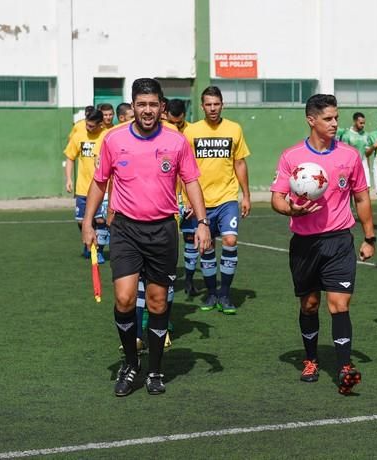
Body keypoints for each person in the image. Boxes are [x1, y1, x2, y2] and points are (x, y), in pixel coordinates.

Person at [81, 78, 211, 397]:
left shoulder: (177, 142)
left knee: (156, 302)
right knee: (124, 299)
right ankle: (130, 363)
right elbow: (99, 182)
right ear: (134, 106)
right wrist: (88, 222)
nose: (148, 110)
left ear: (161, 106)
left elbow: (191, 181)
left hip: (163, 230)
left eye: (153, 104)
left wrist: (203, 221)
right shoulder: (113, 140)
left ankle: (154, 369)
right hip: (125, 228)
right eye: (142, 104)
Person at [270, 94, 375, 395]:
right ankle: (311, 359)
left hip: (339, 240)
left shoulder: (349, 156)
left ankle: (344, 367)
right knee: (310, 304)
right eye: (328, 118)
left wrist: (369, 237)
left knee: (339, 305)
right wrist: (291, 209)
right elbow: (277, 198)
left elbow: (362, 197)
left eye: (336, 118)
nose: (334, 123)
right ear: (311, 120)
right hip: (304, 243)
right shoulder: (291, 157)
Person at [182, 86, 251, 314]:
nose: (212, 108)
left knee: (230, 241)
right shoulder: (191, 132)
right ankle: (212, 294)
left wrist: (246, 196)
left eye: (216, 104)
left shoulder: (234, 129)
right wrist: (186, 199)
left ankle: (225, 293)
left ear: (223, 104)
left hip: (227, 198)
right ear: (202, 106)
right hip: (200, 201)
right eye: (208, 104)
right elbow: (183, 169)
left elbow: (239, 163)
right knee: (206, 247)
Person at [64, 108, 109, 262]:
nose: (88, 128)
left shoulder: (106, 136)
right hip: (83, 187)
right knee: (81, 221)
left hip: (102, 187)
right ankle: (88, 240)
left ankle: (98, 250)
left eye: (91, 126)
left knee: (101, 220)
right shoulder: (79, 135)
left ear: (100, 125)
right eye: (87, 125)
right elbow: (70, 157)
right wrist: (68, 179)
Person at [338, 112, 377, 196]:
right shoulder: (347, 135)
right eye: (361, 123)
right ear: (355, 121)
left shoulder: (366, 135)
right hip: (350, 165)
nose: (363, 125)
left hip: (363, 165)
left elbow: (367, 154)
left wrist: (373, 147)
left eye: (364, 123)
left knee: (365, 190)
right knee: (349, 191)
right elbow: (344, 153)